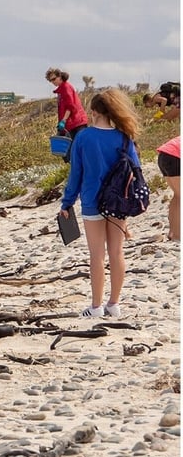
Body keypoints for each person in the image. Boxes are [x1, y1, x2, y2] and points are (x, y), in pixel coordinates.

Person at [60, 89, 142, 318]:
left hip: (92, 201)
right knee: (117, 253)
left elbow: (76, 174)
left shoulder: (83, 137)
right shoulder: (124, 136)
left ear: (94, 112)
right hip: (118, 202)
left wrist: (67, 203)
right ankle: (114, 304)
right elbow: (135, 172)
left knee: (97, 255)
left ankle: (96, 307)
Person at [46, 68, 88, 163]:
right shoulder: (61, 90)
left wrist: (63, 120)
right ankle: (72, 168)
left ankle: (78, 169)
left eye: (54, 79)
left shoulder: (66, 87)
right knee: (67, 151)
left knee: (76, 148)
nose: (52, 82)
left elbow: (70, 106)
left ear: (60, 76)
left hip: (76, 122)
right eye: (50, 80)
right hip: (70, 123)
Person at [156, 136, 180, 242]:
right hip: (175, 156)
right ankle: (178, 235)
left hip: (164, 155)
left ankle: (173, 232)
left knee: (178, 195)